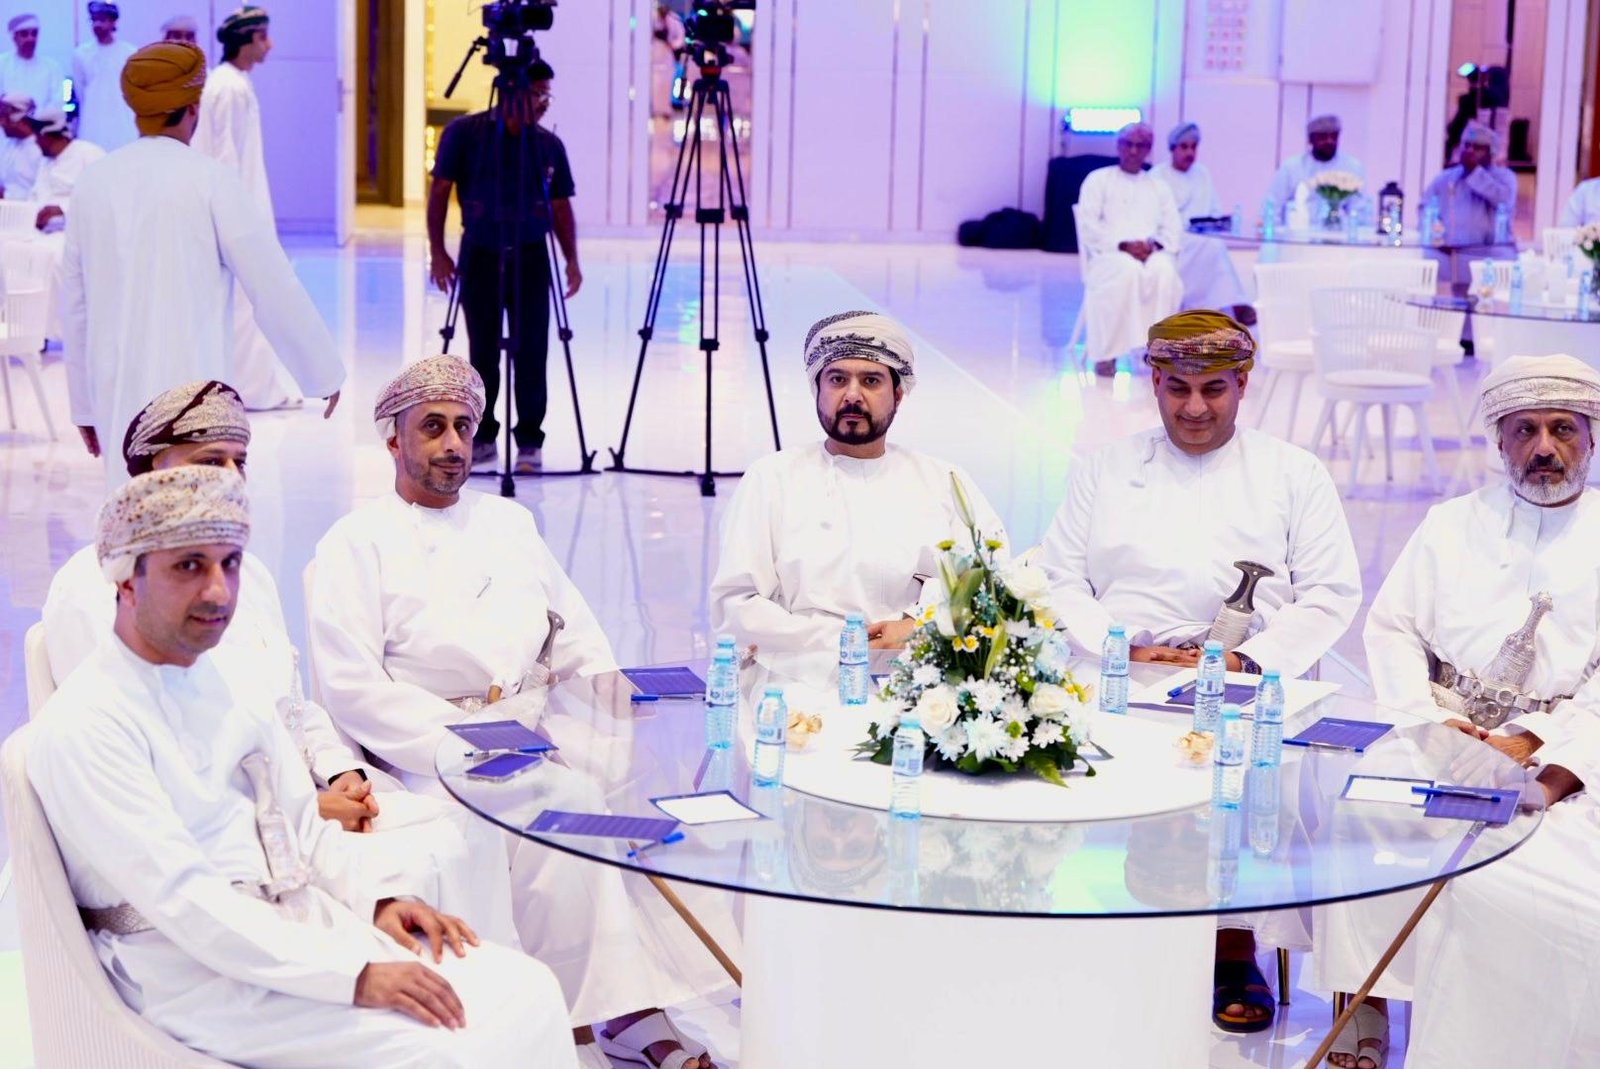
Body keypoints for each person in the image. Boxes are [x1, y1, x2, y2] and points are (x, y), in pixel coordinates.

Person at [25, 465, 578, 1069]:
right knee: (449, 1048)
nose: (219, 591)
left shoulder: (223, 685)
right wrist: (355, 975)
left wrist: (376, 902)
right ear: (126, 580)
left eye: (229, 564)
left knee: (529, 994)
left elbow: (302, 833)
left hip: (297, 932)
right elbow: (185, 902)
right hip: (194, 977)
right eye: (189, 566)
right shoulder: (86, 725)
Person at [309, 355, 726, 1069]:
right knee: (570, 801)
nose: (452, 444)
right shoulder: (355, 541)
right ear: (393, 439)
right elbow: (352, 688)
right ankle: (606, 1018)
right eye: (432, 427)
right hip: (433, 751)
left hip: (537, 728)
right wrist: (474, 738)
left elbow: (576, 633)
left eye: (463, 426)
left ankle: (657, 993)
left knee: (657, 792)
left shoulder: (507, 520)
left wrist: (613, 693)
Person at [40, 379, 517, 943]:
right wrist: (308, 806)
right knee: (425, 860)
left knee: (471, 828)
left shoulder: (249, 574)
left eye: (239, 462)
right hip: (233, 842)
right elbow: (158, 767)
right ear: (147, 470)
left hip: (306, 801)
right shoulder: (96, 584)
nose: (230, 479)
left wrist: (343, 773)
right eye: (209, 462)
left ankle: (477, 978)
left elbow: (292, 706)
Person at [1033, 310, 1361, 1034]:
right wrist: (1121, 646)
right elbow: (1058, 577)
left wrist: (1248, 660)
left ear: (1243, 383)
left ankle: (1232, 939)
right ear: (1153, 381)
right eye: (1177, 388)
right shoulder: (1105, 468)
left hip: (1248, 676)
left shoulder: (1293, 473)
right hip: (1123, 672)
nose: (1194, 408)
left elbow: (1332, 592)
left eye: (1214, 389)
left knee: (1247, 763)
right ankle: (1106, 924)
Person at [1318, 354, 1600, 1068]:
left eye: (1563, 429)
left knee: (1524, 877)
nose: (1544, 448)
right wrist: (1432, 723)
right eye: (1525, 430)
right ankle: (1363, 998)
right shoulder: (1450, 524)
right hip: (1438, 730)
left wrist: (1538, 747)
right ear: (1499, 440)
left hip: (1562, 758)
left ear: (1591, 438)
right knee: (1356, 810)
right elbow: (1392, 629)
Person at [61, 41, 344, 483]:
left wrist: (84, 405)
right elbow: (271, 284)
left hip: (116, 391)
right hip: (194, 392)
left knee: (129, 504)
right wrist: (321, 371)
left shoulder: (93, 183)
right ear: (193, 109)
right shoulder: (211, 179)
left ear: (135, 109)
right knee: (199, 502)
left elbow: (75, 304)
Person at [709, 310, 1009, 672]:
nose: (852, 395)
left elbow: (990, 581)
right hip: (798, 677)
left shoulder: (943, 481)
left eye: (871, 381)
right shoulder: (771, 479)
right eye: (837, 379)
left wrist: (917, 626)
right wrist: (843, 641)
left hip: (916, 674)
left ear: (897, 395)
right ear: (817, 390)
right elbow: (735, 605)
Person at [428, 63, 580, 474]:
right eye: (538, 94)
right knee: (482, 352)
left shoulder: (548, 145)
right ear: (512, 92)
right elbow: (439, 191)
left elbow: (561, 206)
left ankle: (529, 440)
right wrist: (438, 251)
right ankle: (482, 436)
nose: (544, 103)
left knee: (532, 350)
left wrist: (571, 259)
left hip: (531, 255)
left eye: (547, 94)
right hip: (480, 251)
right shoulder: (464, 134)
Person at [192, 7, 301, 410]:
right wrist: (236, 221)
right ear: (247, 40)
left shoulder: (233, 82)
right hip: (236, 215)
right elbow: (224, 159)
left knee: (246, 301)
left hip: (242, 209)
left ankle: (248, 386)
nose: (269, 45)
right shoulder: (228, 87)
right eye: (263, 37)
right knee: (244, 302)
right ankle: (250, 390)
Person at [1075, 122, 1183, 377]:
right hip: (1109, 254)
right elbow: (1088, 225)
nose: (1133, 151)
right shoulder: (1098, 180)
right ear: (1118, 146)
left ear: (1149, 149)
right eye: (1128, 144)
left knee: (1165, 272)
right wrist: (1123, 245)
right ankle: (1107, 354)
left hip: (1151, 253)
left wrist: (1152, 246)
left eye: (1140, 145)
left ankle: (1157, 350)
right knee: (1126, 271)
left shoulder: (1158, 187)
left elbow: (1173, 228)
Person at [1150, 122, 1254, 325]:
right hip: (1173, 238)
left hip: (1203, 234)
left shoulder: (1202, 173)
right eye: (1184, 147)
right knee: (1213, 246)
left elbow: (1214, 208)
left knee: (1214, 244)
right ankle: (1235, 304)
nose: (1190, 153)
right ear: (1172, 149)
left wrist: (1217, 222)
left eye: (1194, 147)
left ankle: (1226, 304)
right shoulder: (1157, 175)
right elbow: (1155, 217)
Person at [1420, 121, 1517, 295]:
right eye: (1466, 145)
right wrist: (1436, 235)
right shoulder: (1447, 178)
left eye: (1477, 148)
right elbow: (1424, 207)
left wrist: (1474, 172)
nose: (1469, 151)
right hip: (1451, 256)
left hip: (1490, 256)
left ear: (1491, 152)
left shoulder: (1504, 177)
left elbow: (1503, 200)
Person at [1265, 114, 1366, 225]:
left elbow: (1359, 210)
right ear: (1310, 139)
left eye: (1334, 136)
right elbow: (1273, 205)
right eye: (1323, 137)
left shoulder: (1352, 166)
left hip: (1338, 232)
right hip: (1297, 232)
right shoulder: (1291, 167)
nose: (1329, 141)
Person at [26, 106, 104, 230]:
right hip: (40, 233)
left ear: (47, 135)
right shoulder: (46, 161)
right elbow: (36, 195)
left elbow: (102, 198)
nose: (35, 142)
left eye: (37, 137)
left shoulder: (89, 153)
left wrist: (62, 209)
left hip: (74, 232)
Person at [72, 2, 137, 152]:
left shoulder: (129, 52)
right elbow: (81, 92)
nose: (97, 24)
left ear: (113, 21)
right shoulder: (81, 54)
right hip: (92, 120)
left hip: (122, 121)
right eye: (94, 20)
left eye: (102, 20)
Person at [0, 15, 63, 113]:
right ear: (14, 37)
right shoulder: (2, 63)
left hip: (40, 121)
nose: (30, 39)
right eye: (24, 34)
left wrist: (35, 115)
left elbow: (57, 102)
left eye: (34, 34)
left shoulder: (51, 67)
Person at [0, 91, 40, 200]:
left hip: (27, 207)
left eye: (4, 118)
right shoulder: (8, 145)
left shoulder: (40, 148)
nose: (1, 124)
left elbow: (42, 192)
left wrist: (6, 196)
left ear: (21, 119)